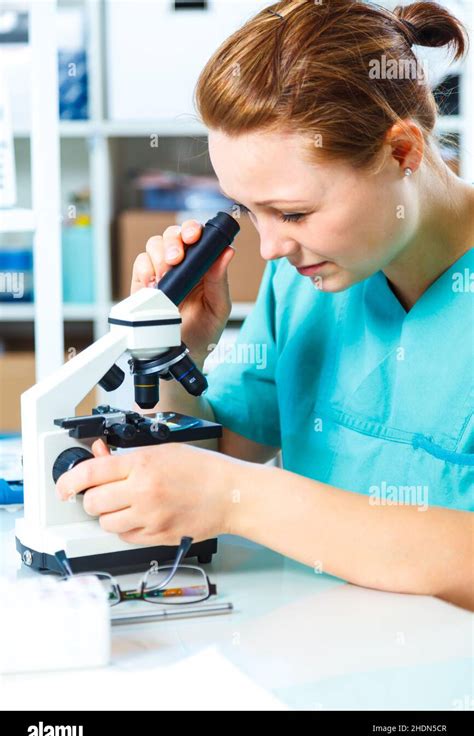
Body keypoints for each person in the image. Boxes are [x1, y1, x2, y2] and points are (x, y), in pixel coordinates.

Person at [56, 0, 474, 610]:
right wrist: (175, 351)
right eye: (251, 211)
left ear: (402, 153)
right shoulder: (308, 282)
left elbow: (228, 485)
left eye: (295, 212)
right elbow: (226, 452)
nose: (271, 248)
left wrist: (238, 499)